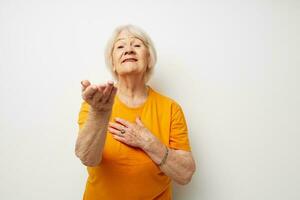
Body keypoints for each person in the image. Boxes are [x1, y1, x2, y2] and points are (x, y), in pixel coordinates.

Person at [75, 24, 196, 200]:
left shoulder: (170, 108)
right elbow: (87, 158)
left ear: (148, 59)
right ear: (113, 63)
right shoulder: (96, 103)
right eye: (120, 46)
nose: (129, 49)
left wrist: (149, 143)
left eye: (137, 45)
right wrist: (99, 114)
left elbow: (185, 174)